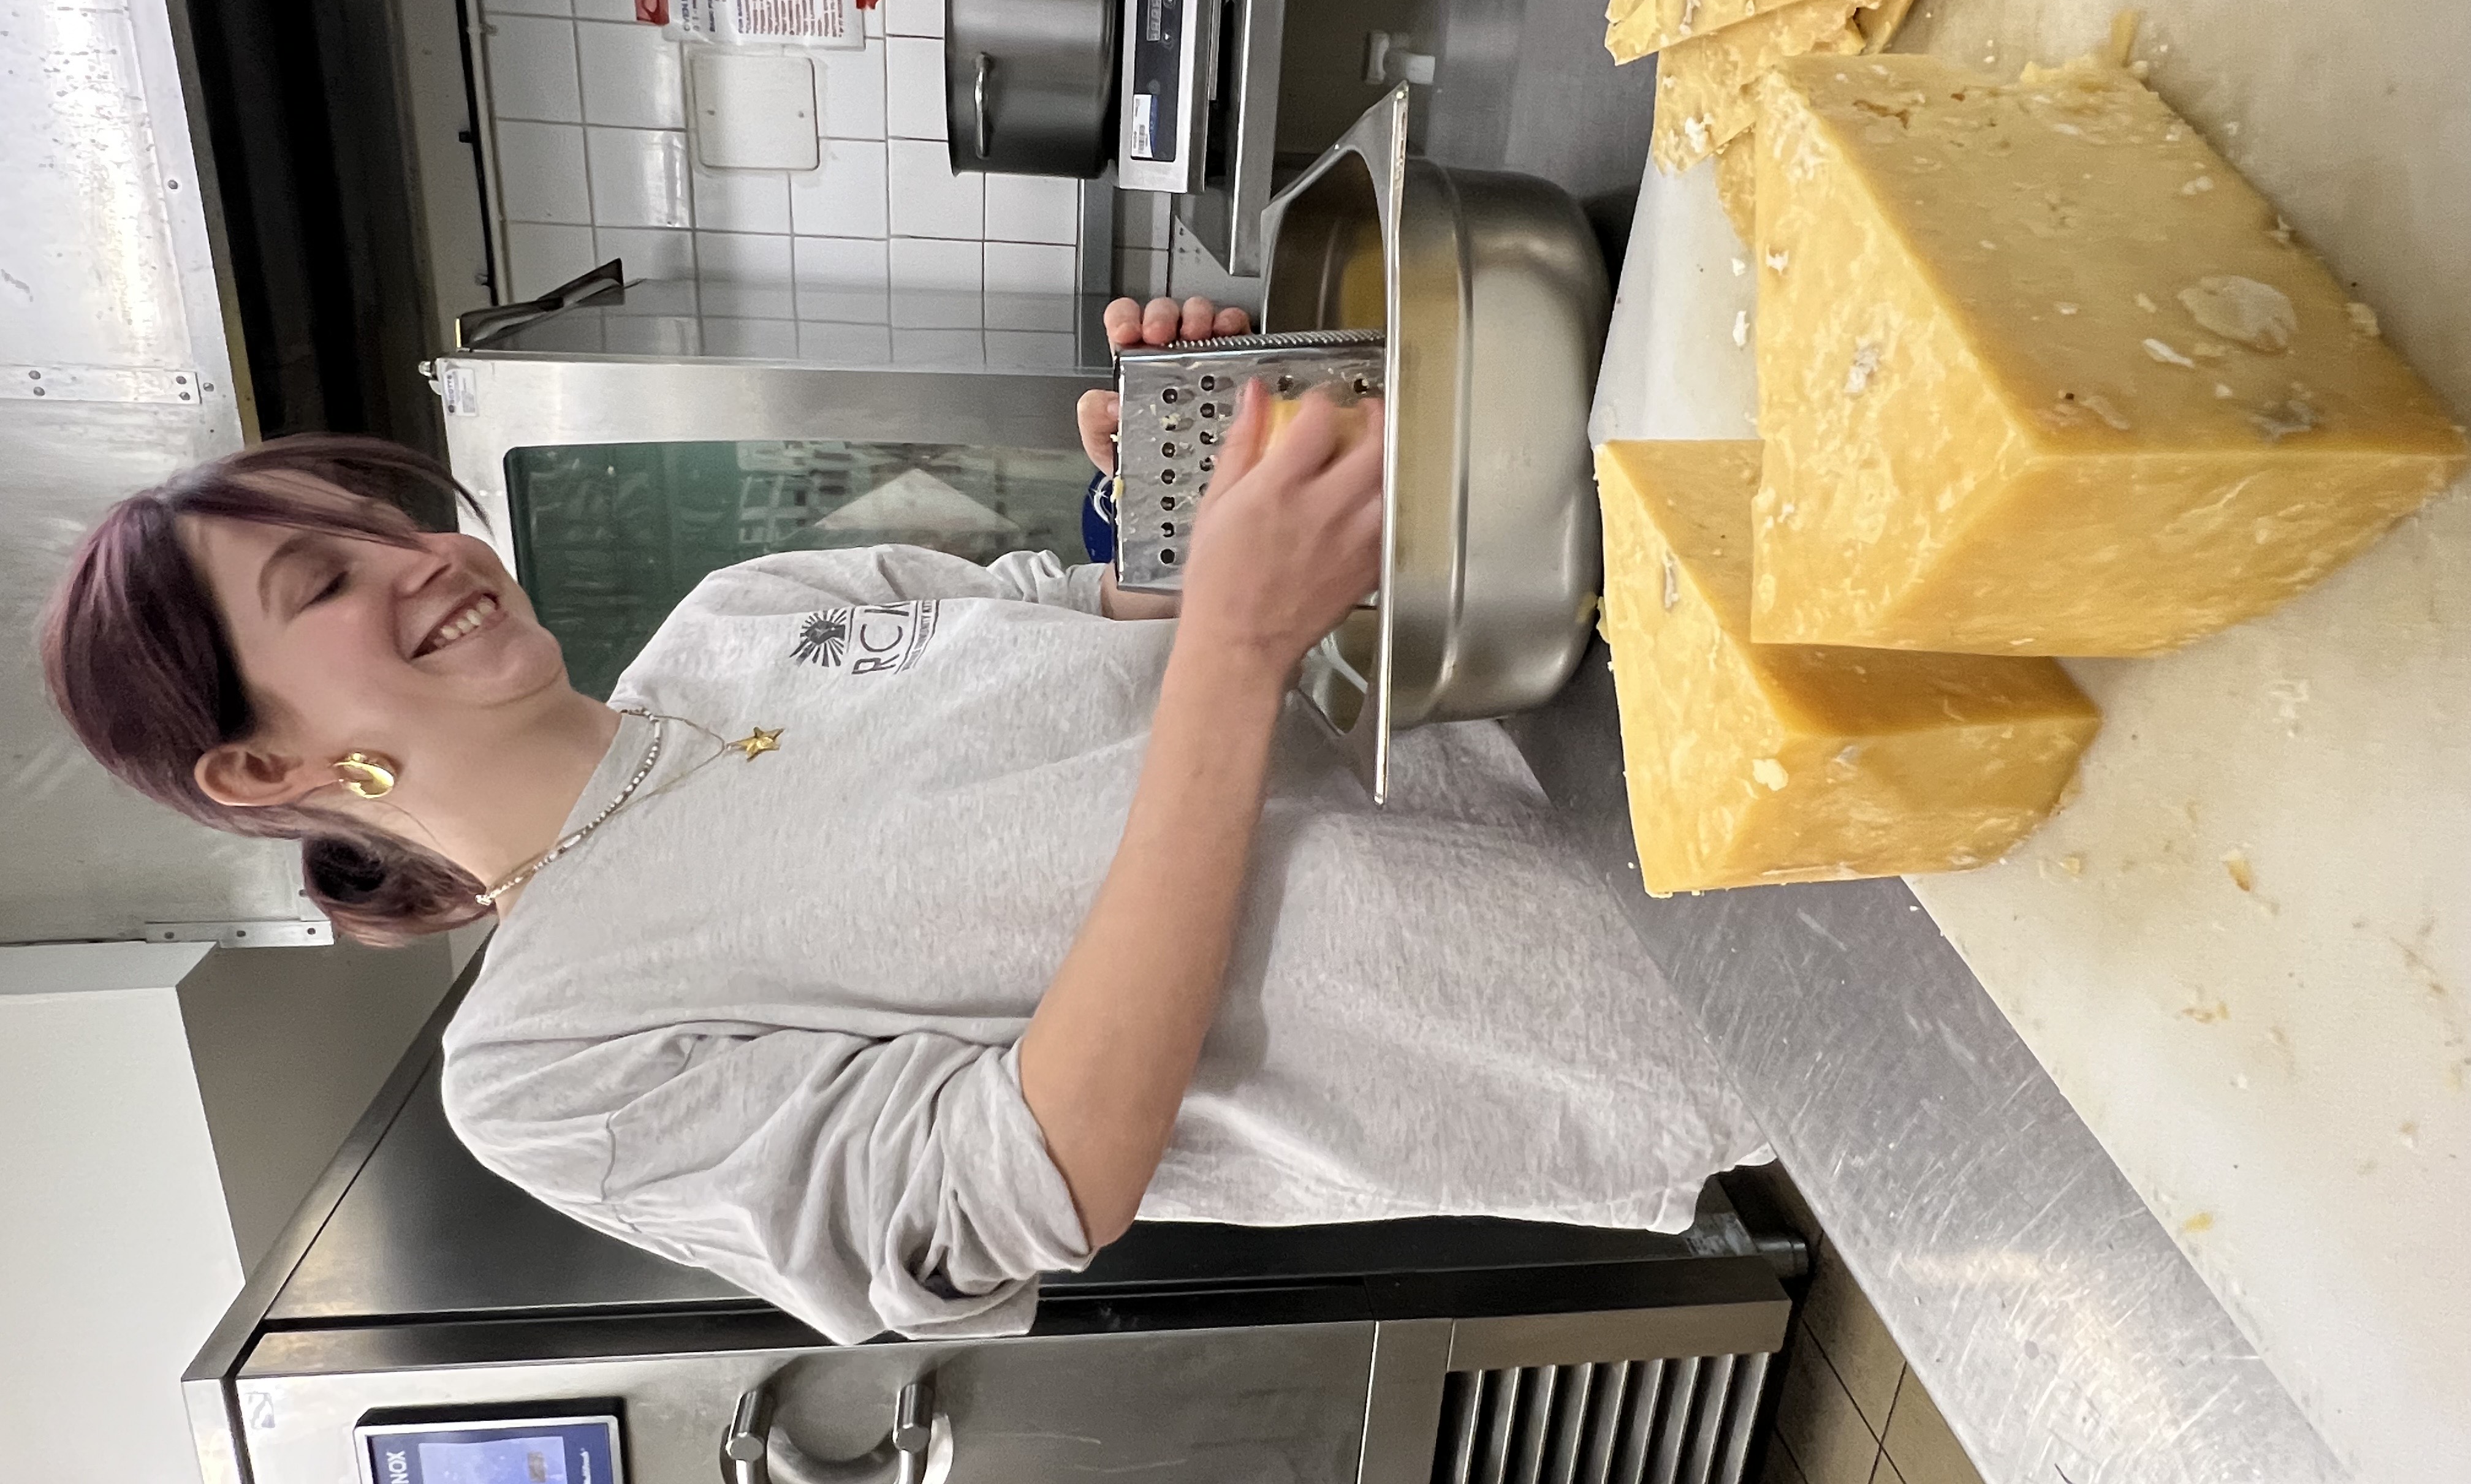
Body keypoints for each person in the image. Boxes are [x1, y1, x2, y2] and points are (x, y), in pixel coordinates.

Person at [42, 295, 1764, 1344]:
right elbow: (1027, 1185)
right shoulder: (539, 1067)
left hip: (1601, 747)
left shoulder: (738, 610)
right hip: (1605, 1019)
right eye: (324, 580)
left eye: (386, 516)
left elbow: (1105, 625)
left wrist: (1164, 497)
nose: (430, 555)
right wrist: (1235, 641)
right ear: (261, 772)